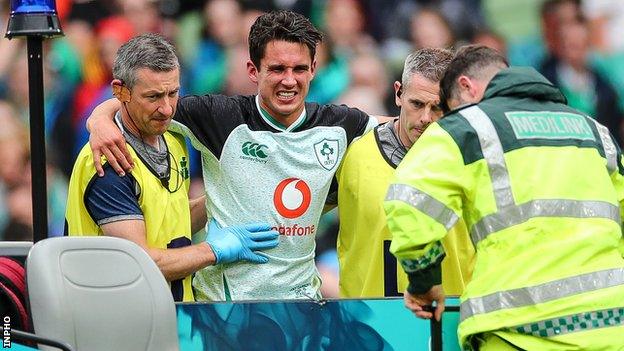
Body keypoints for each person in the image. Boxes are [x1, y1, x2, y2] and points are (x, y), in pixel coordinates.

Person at [85, 11, 386, 301]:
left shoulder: (337, 125)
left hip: (302, 306)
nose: (289, 81)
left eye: (299, 69)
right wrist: (99, 118)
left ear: (313, 69)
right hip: (224, 309)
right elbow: (147, 101)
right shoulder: (219, 117)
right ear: (253, 71)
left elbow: (400, 129)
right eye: (278, 69)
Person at [384, 44, 624, 350]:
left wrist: (424, 284)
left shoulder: (466, 127)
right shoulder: (594, 131)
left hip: (516, 331)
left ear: (466, 87)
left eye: (448, 107)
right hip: (611, 329)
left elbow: (408, 202)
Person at [65, 34, 279, 302]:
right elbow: (140, 261)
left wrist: (226, 201)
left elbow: (169, 219)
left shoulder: (173, 139)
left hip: (171, 315)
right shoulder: (109, 161)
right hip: (116, 322)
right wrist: (213, 251)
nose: (166, 109)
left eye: (173, 93)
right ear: (120, 91)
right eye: (153, 96)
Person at [335, 47, 474, 298]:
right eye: (417, 104)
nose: (425, 118)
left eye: (438, 108)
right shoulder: (352, 153)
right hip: (369, 323)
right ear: (398, 93)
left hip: (451, 320)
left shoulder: (475, 161)